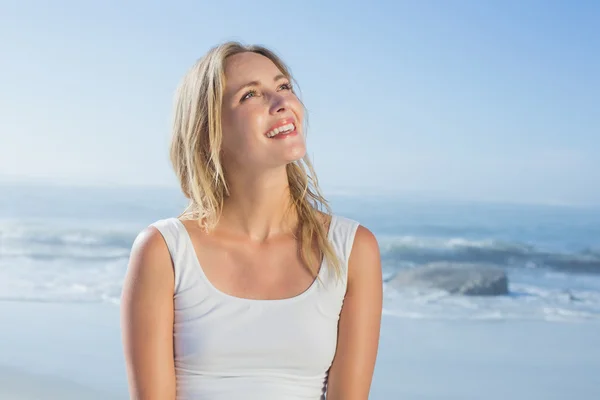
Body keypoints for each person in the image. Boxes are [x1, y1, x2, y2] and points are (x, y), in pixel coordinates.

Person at [120, 41, 383, 400]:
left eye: (283, 87)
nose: (282, 104)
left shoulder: (351, 249)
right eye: (250, 96)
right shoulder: (164, 251)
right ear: (210, 128)